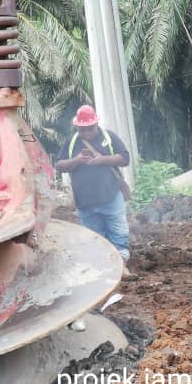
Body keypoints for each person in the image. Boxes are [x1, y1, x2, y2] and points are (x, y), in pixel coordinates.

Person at [56, 104, 133, 276]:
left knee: (118, 233)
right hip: (85, 202)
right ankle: (105, 271)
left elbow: (125, 158)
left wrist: (103, 159)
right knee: (95, 238)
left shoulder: (109, 137)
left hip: (111, 196)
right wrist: (77, 160)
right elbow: (60, 165)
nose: (86, 133)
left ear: (96, 124)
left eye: (89, 129)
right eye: (82, 129)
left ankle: (121, 266)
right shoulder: (72, 142)